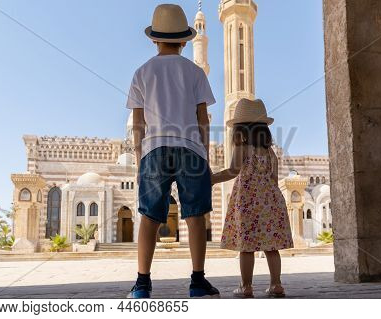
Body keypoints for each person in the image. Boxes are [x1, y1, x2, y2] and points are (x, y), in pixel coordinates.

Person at [126, 4, 219, 298]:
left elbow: (138, 124)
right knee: (195, 215)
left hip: (154, 149)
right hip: (191, 148)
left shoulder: (141, 73)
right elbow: (202, 118)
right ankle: (197, 281)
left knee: (150, 216)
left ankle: (142, 283)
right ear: (184, 40)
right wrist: (204, 154)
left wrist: (141, 160)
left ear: (154, 39)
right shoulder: (194, 72)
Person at [211, 98, 294, 298]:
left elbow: (232, 171)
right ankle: (276, 284)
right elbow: (274, 178)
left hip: (247, 202)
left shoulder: (242, 148)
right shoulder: (270, 152)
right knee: (271, 247)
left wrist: (212, 179)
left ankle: (246, 286)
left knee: (246, 247)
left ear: (240, 129)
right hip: (271, 201)